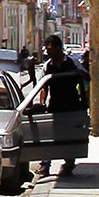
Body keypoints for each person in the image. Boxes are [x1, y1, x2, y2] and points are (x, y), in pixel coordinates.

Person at [36, 34, 89, 177]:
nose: (48, 52)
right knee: (50, 136)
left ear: (58, 48)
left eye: (50, 49)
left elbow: (86, 77)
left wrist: (78, 73)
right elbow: (43, 86)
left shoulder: (72, 62)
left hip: (72, 105)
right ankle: (45, 165)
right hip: (55, 106)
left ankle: (69, 164)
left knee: (71, 136)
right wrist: (42, 105)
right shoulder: (47, 67)